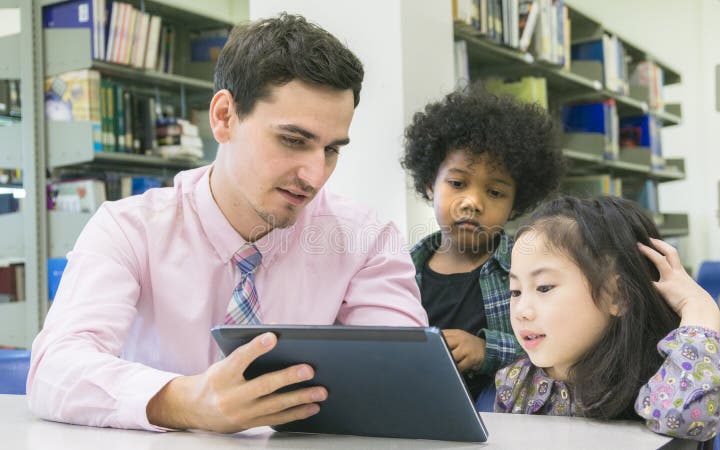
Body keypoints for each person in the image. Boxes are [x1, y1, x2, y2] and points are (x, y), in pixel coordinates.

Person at [27, 14, 428, 433]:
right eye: (293, 140)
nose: (314, 175)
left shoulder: (366, 240)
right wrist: (183, 401)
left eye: (330, 150)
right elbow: (55, 368)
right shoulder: (128, 229)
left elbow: (408, 383)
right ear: (223, 117)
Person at [497, 195, 720, 441]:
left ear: (618, 296)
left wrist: (699, 309)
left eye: (544, 287)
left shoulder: (660, 380)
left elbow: (679, 417)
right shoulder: (515, 383)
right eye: (515, 291)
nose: (521, 311)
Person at [401, 88, 565, 399]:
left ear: (516, 205)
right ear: (429, 185)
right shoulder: (402, 270)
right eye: (458, 183)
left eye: (495, 192)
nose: (472, 202)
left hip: (505, 414)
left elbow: (560, 345)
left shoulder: (530, 265)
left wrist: (485, 350)